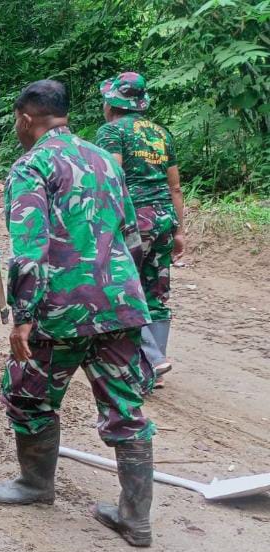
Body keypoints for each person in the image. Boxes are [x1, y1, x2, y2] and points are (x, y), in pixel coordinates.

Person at [0, 80, 156, 548]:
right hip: (119, 304)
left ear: (25, 118)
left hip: (61, 310)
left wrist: (23, 314)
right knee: (125, 407)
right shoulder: (104, 159)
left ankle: (35, 484)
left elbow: (29, 249)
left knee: (28, 395)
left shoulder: (32, 165)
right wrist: (125, 293)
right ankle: (135, 518)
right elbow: (132, 234)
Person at [96, 72, 185, 385]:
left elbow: (113, 179)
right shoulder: (161, 133)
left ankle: (152, 359)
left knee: (121, 287)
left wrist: (105, 226)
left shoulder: (111, 131)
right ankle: (155, 371)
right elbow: (175, 187)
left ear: (111, 104)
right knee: (155, 293)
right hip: (164, 219)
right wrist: (179, 231)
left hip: (134, 221)